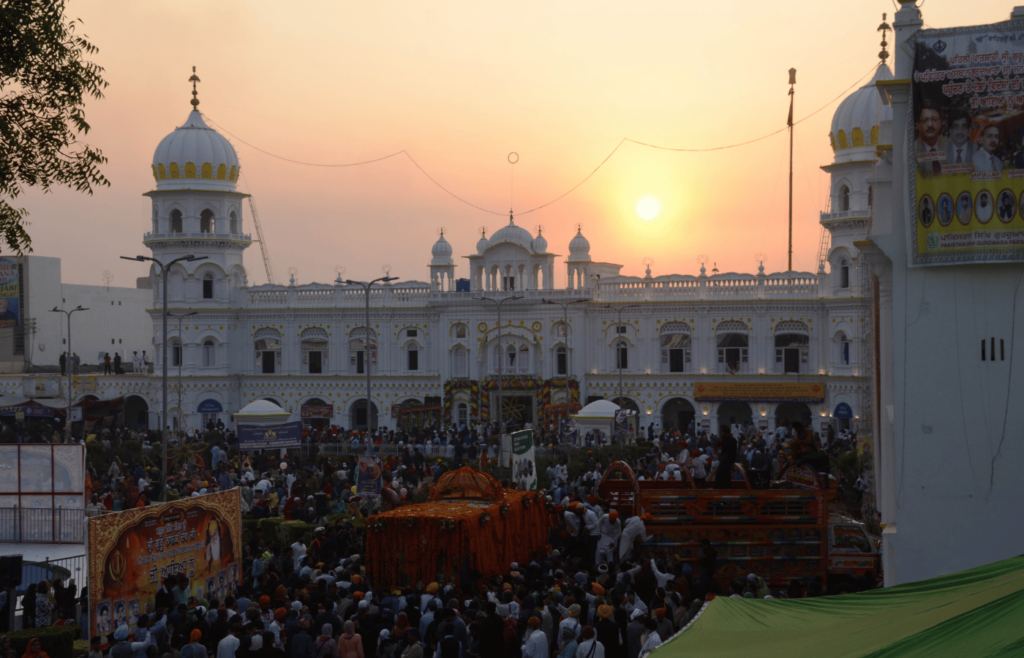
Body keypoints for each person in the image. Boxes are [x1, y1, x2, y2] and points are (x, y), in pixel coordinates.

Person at [915, 99, 946, 176]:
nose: (930, 125)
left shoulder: (951, 145)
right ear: (919, 125)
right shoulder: (913, 151)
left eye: (934, 120)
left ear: (940, 122)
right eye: (925, 120)